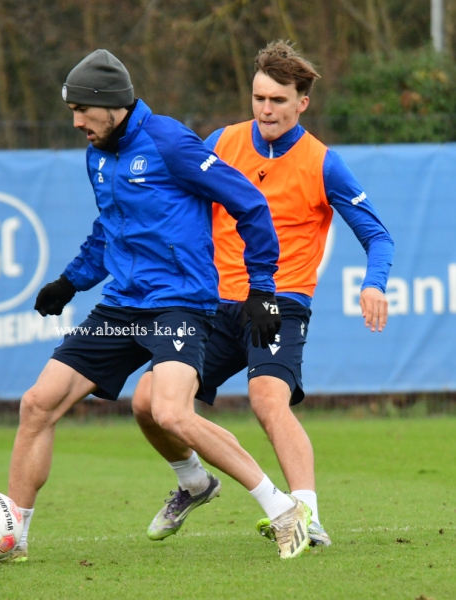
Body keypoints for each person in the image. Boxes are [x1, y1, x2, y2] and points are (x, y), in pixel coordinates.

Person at [0, 48, 313, 564]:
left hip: (178, 306)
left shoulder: (170, 143)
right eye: (71, 111)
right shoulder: (97, 154)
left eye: (82, 110)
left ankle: (283, 509)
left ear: (112, 104)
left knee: (169, 411)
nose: (76, 122)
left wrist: (260, 288)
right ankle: (13, 540)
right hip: (119, 309)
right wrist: (69, 282)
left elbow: (248, 203)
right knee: (38, 404)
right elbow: (109, 230)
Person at [131, 40, 394, 548]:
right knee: (146, 402)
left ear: (302, 103)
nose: (266, 109)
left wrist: (373, 284)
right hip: (212, 305)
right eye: (259, 98)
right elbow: (177, 200)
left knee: (268, 399)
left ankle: (306, 516)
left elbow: (377, 236)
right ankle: (193, 481)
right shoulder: (221, 143)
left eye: (278, 100)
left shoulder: (323, 163)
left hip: (278, 302)